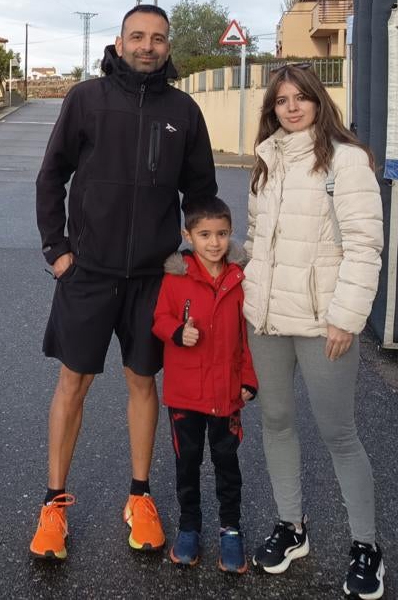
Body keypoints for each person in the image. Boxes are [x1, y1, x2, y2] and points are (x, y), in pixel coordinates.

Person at [30, 5, 218, 561]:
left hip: (153, 279)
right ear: (119, 41)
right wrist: (58, 251)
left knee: (143, 382)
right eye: (137, 36)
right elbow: (52, 175)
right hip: (88, 272)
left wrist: (196, 259)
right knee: (73, 383)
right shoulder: (85, 99)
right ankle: (54, 505)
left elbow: (201, 194)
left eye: (157, 38)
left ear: (168, 46)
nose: (147, 46)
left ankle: (140, 496)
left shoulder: (183, 111)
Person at [242, 64, 386, 599]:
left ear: (319, 102)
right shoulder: (267, 160)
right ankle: (291, 527)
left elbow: (365, 245)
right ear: (272, 109)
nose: (292, 107)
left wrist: (346, 317)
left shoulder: (346, 161)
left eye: (301, 97)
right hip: (267, 320)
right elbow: (257, 239)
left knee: (338, 434)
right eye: (282, 100)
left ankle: (366, 547)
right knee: (276, 422)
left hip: (324, 323)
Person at [151, 196, 256, 573]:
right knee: (188, 463)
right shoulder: (175, 278)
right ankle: (189, 527)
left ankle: (231, 529)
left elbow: (247, 336)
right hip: (186, 394)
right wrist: (178, 332)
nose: (214, 242)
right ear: (188, 235)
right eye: (205, 234)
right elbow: (159, 319)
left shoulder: (239, 279)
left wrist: (249, 378)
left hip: (226, 394)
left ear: (231, 233)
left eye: (222, 234)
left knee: (227, 464)